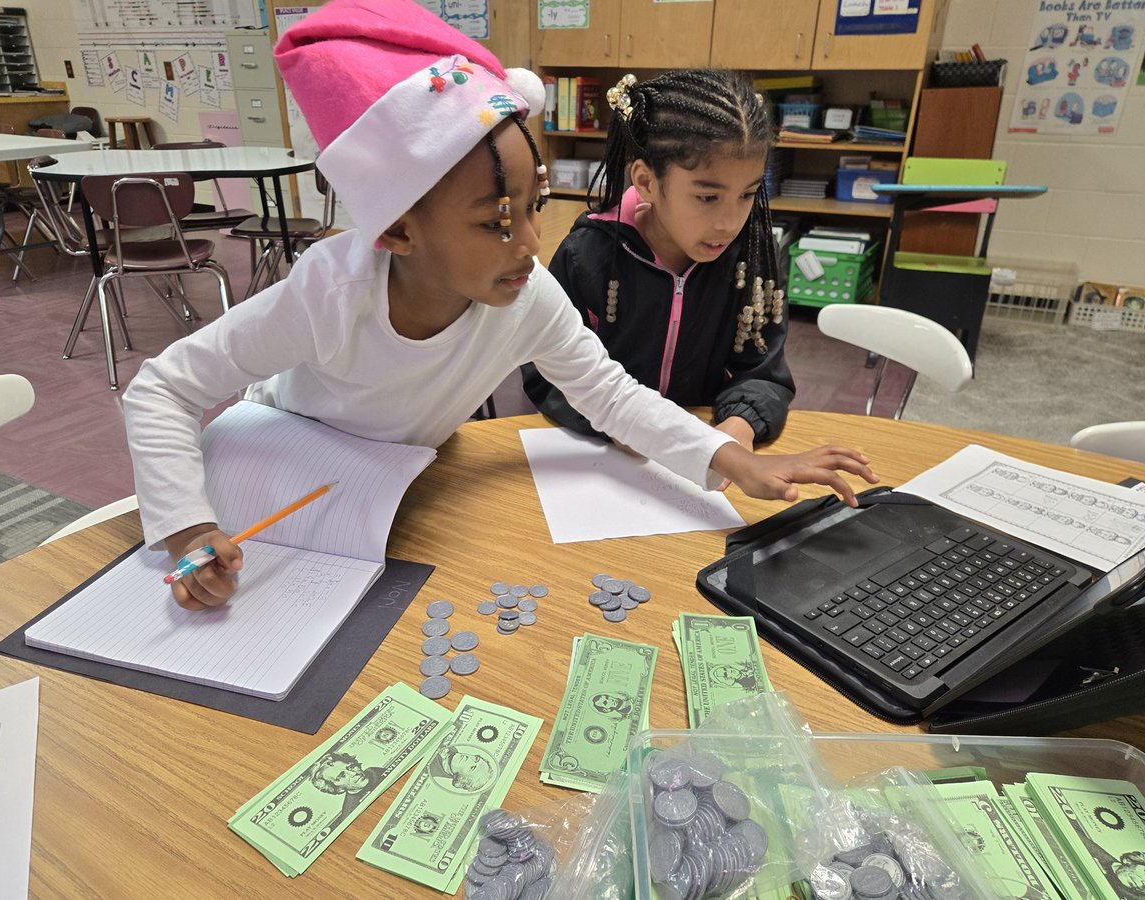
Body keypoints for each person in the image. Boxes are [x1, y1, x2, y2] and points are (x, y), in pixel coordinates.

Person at [122, 0, 876, 612]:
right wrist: (189, 527)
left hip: (400, 473)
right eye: (494, 219)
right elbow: (161, 387)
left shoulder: (526, 293)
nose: (529, 242)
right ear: (395, 229)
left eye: (535, 204)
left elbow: (608, 394)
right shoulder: (330, 291)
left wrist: (732, 460)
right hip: (287, 457)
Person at [522, 69, 793, 454]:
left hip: (701, 446)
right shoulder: (588, 256)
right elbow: (548, 374)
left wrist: (742, 422)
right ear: (647, 182)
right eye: (707, 197)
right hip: (606, 454)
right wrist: (623, 427)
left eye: (747, 195)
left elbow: (763, 371)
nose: (730, 223)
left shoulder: (751, 259)